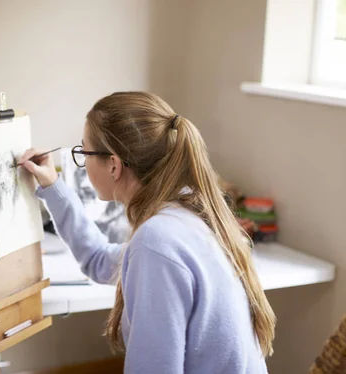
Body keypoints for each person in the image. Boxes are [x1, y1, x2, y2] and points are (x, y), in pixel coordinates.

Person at [19, 91, 275, 373]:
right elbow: (99, 260)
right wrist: (53, 187)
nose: (83, 161)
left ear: (114, 165)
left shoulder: (157, 241)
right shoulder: (186, 215)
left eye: (84, 152)